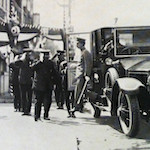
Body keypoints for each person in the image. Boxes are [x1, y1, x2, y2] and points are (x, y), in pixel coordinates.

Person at [31, 51, 59, 121]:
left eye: (46, 56)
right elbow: (31, 68)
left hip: (48, 85)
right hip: (39, 85)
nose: (45, 58)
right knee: (38, 101)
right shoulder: (37, 63)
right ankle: (37, 116)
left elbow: (54, 74)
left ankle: (46, 115)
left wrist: (55, 83)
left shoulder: (50, 63)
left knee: (48, 101)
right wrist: (39, 62)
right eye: (44, 56)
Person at [70, 38, 93, 117]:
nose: (76, 44)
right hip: (80, 75)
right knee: (80, 92)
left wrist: (87, 75)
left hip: (82, 76)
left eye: (78, 43)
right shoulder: (82, 52)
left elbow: (87, 65)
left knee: (79, 93)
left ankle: (75, 108)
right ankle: (76, 108)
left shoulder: (85, 53)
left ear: (82, 44)